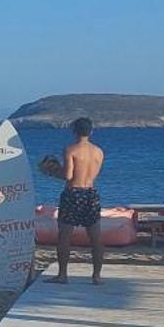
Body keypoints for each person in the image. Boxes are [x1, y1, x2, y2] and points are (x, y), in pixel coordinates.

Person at [45, 117, 106, 284]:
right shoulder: (99, 152)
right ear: (91, 131)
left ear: (74, 131)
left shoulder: (70, 150)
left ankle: (63, 274)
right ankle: (96, 276)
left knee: (65, 235)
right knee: (95, 237)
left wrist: (52, 171)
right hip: (90, 193)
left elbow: (68, 176)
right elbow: (93, 174)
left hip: (73, 193)